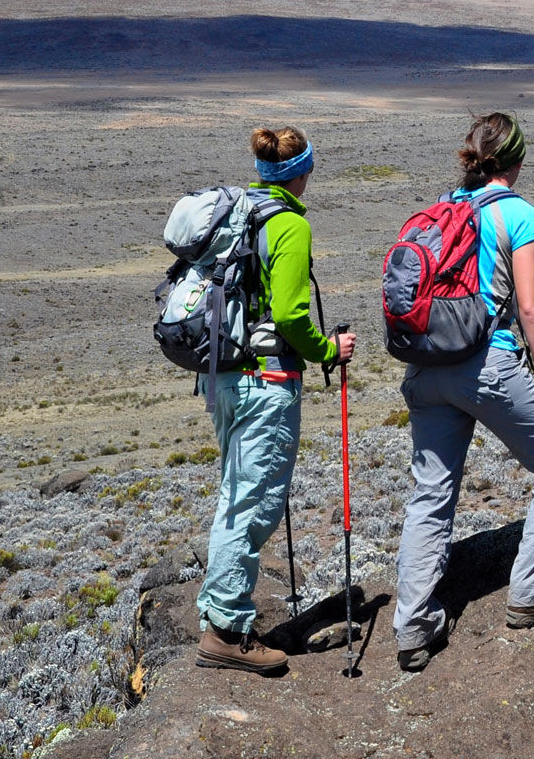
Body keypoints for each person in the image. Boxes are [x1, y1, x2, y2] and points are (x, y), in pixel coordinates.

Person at [393, 112, 534, 672]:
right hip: (487, 366)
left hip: (427, 369)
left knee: (430, 495)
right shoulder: (516, 213)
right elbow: (529, 307)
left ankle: (412, 627)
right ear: (517, 161)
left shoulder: (447, 206)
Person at [195, 126, 356, 675]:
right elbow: (289, 315)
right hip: (266, 383)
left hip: (224, 379)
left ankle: (221, 618)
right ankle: (226, 633)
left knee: (235, 496)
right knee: (253, 505)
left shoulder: (239, 214)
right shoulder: (288, 225)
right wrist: (328, 347)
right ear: (302, 172)